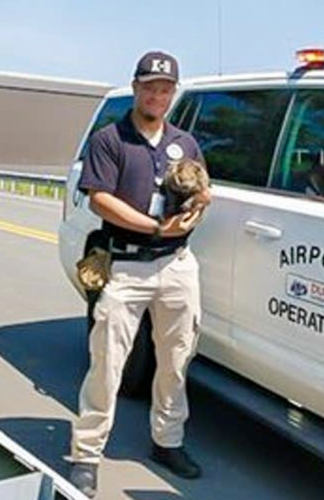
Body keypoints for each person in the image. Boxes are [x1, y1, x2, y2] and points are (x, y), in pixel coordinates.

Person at [69, 50, 211, 497]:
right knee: (107, 364)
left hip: (176, 265)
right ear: (135, 88)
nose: (157, 94)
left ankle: (167, 442)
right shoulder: (111, 139)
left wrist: (195, 213)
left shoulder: (184, 142)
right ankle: (86, 455)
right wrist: (154, 226)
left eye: (166, 88)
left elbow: (202, 188)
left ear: (174, 93)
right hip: (125, 266)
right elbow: (99, 199)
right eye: (150, 86)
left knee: (176, 360)